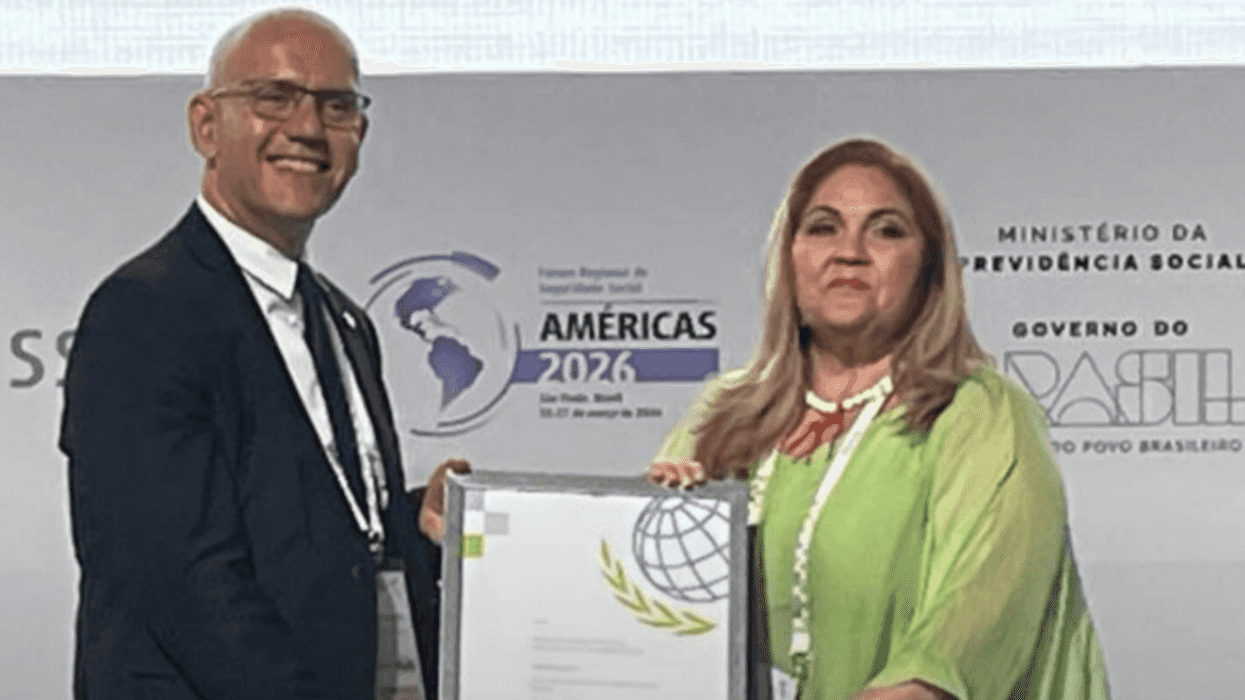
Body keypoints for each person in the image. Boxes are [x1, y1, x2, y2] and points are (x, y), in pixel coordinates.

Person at [59, 9, 464, 700]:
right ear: (205, 125)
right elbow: (183, 577)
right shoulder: (145, 312)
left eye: (336, 105)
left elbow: (307, 526)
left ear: (359, 134)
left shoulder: (345, 323)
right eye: (273, 96)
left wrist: (411, 525)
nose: (306, 128)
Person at [648, 139, 1110, 700]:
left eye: (886, 230)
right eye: (823, 227)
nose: (850, 252)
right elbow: (662, 620)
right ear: (789, 256)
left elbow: (963, 638)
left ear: (929, 268)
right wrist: (651, 524)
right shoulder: (720, 413)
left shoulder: (982, 415)